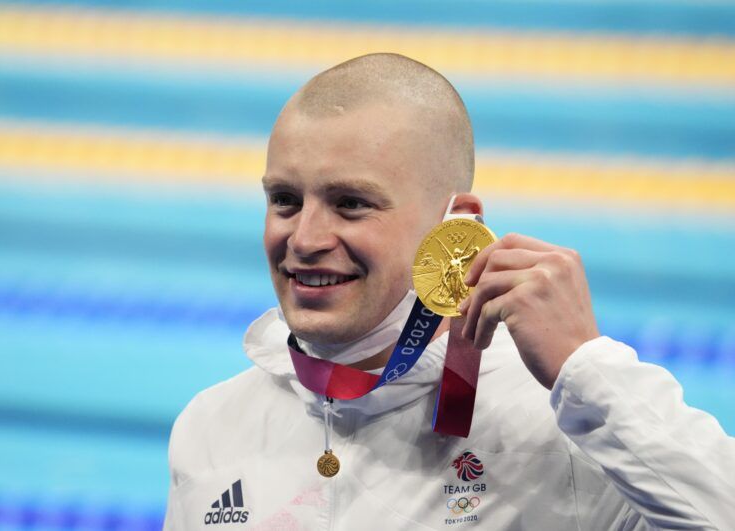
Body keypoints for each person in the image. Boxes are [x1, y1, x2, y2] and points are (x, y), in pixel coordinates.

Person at [163, 53, 734, 530]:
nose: (305, 238)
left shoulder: (569, 422)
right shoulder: (212, 427)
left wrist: (587, 369)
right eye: (285, 199)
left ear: (454, 223)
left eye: (351, 203)